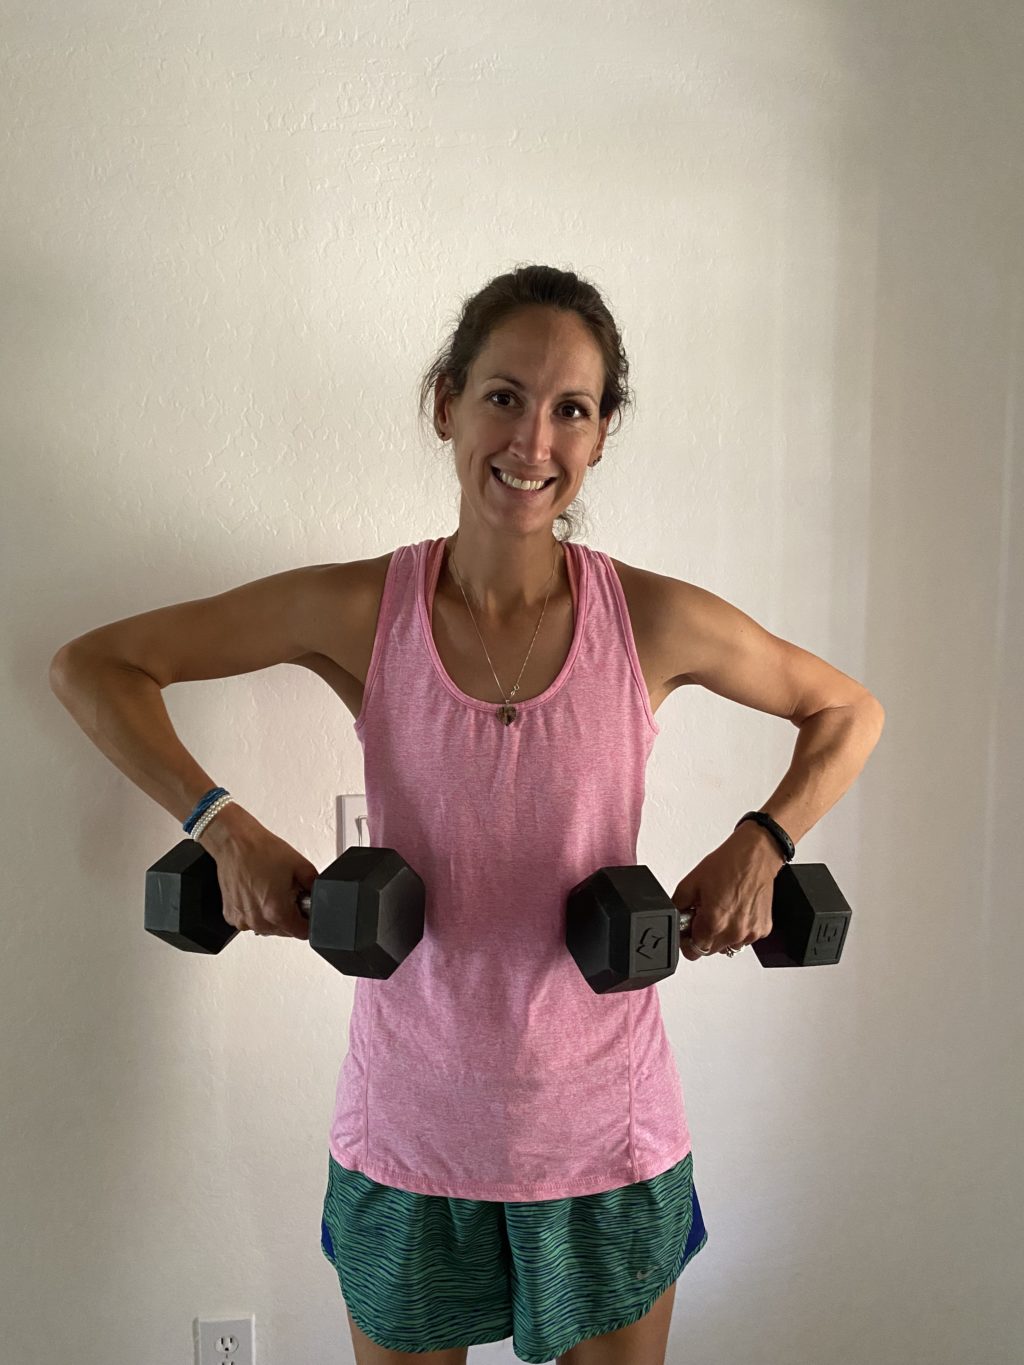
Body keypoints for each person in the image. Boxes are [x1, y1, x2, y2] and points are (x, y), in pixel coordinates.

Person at [50, 265, 879, 1365]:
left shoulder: (652, 619)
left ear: (601, 435)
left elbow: (846, 711)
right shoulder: (360, 608)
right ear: (446, 403)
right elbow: (96, 667)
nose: (532, 440)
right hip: (409, 1132)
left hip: (606, 1135)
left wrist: (762, 842)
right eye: (503, 396)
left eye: (570, 408)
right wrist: (222, 825)